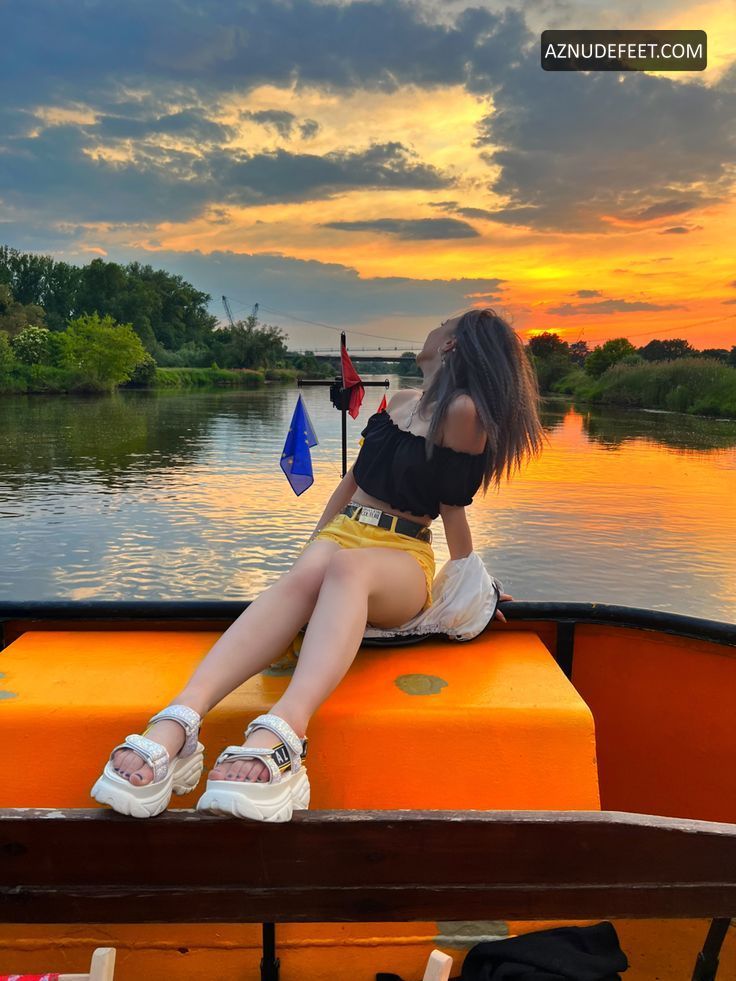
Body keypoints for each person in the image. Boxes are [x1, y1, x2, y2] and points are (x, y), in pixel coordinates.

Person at [90, 308, 545, 822]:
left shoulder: (463, 411)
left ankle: (285, 728)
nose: (432, 328)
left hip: (400, 554)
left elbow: (452, 508)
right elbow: (351, 483)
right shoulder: (399, 401)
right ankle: (179, 722)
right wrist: (310, 553)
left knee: (348, 569)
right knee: (313, 571)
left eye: (444, 324)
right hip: (344, 532)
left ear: (451, 344)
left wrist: (475, 590)